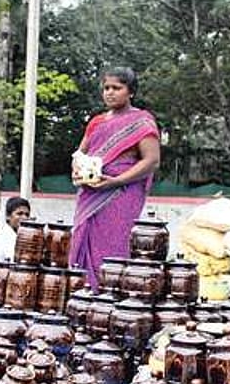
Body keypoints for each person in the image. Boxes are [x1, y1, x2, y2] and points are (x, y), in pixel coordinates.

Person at [68, 67, 161, 289]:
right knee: (82, 239)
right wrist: (77, 170)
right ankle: (84, 293)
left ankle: (110, 294)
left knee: (114, 244)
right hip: (90, 193)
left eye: (116, 88)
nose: (110, 92)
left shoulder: (141, 122)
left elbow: (151, 161)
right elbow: (80, 154)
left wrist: (117, 181)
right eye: (106, 88)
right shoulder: (97, 122)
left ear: (131, 92)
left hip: (122, 194)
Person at [0, 196, 31, 271]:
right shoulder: (5, 238)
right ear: (8, 216)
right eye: (19, 214)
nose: (24, 218)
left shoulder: (19, 236)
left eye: (27, 214)